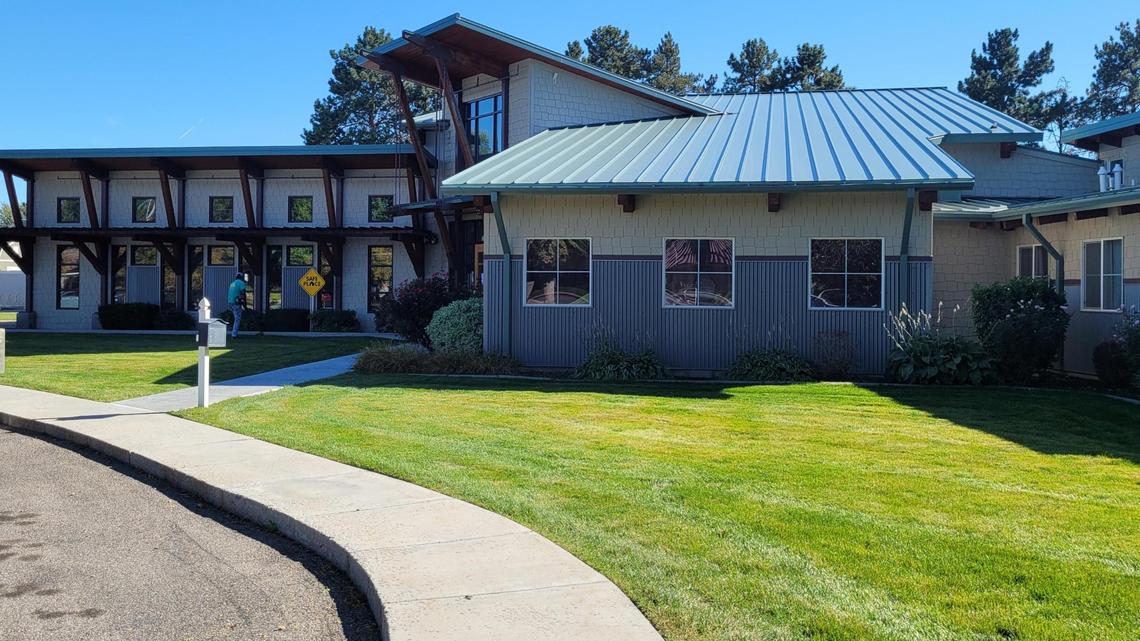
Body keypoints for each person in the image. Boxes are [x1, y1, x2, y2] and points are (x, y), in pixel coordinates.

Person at [227, 272, 248, 338]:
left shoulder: (232, 283)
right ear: (241, 277)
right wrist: (245, 305)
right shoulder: (241, 283)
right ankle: (234, 334)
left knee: (236, 318)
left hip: (230, 303)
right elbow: (243, 293)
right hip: (236, 303)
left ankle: (234, 332)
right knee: (237, 319)